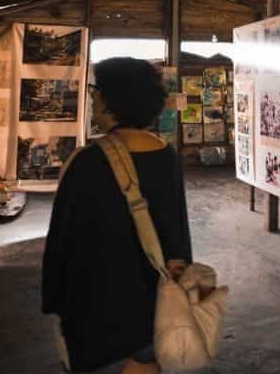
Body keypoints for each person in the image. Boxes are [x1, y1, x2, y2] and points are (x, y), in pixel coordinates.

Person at [42, 58, 192, 373]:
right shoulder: (166, 156)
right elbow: (178, 231)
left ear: (113, 102)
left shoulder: (87, 162)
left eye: (96, 93)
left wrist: (54, 298)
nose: (92, 99)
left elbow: (63, 240)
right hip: (154, 304)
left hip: (99, 313)